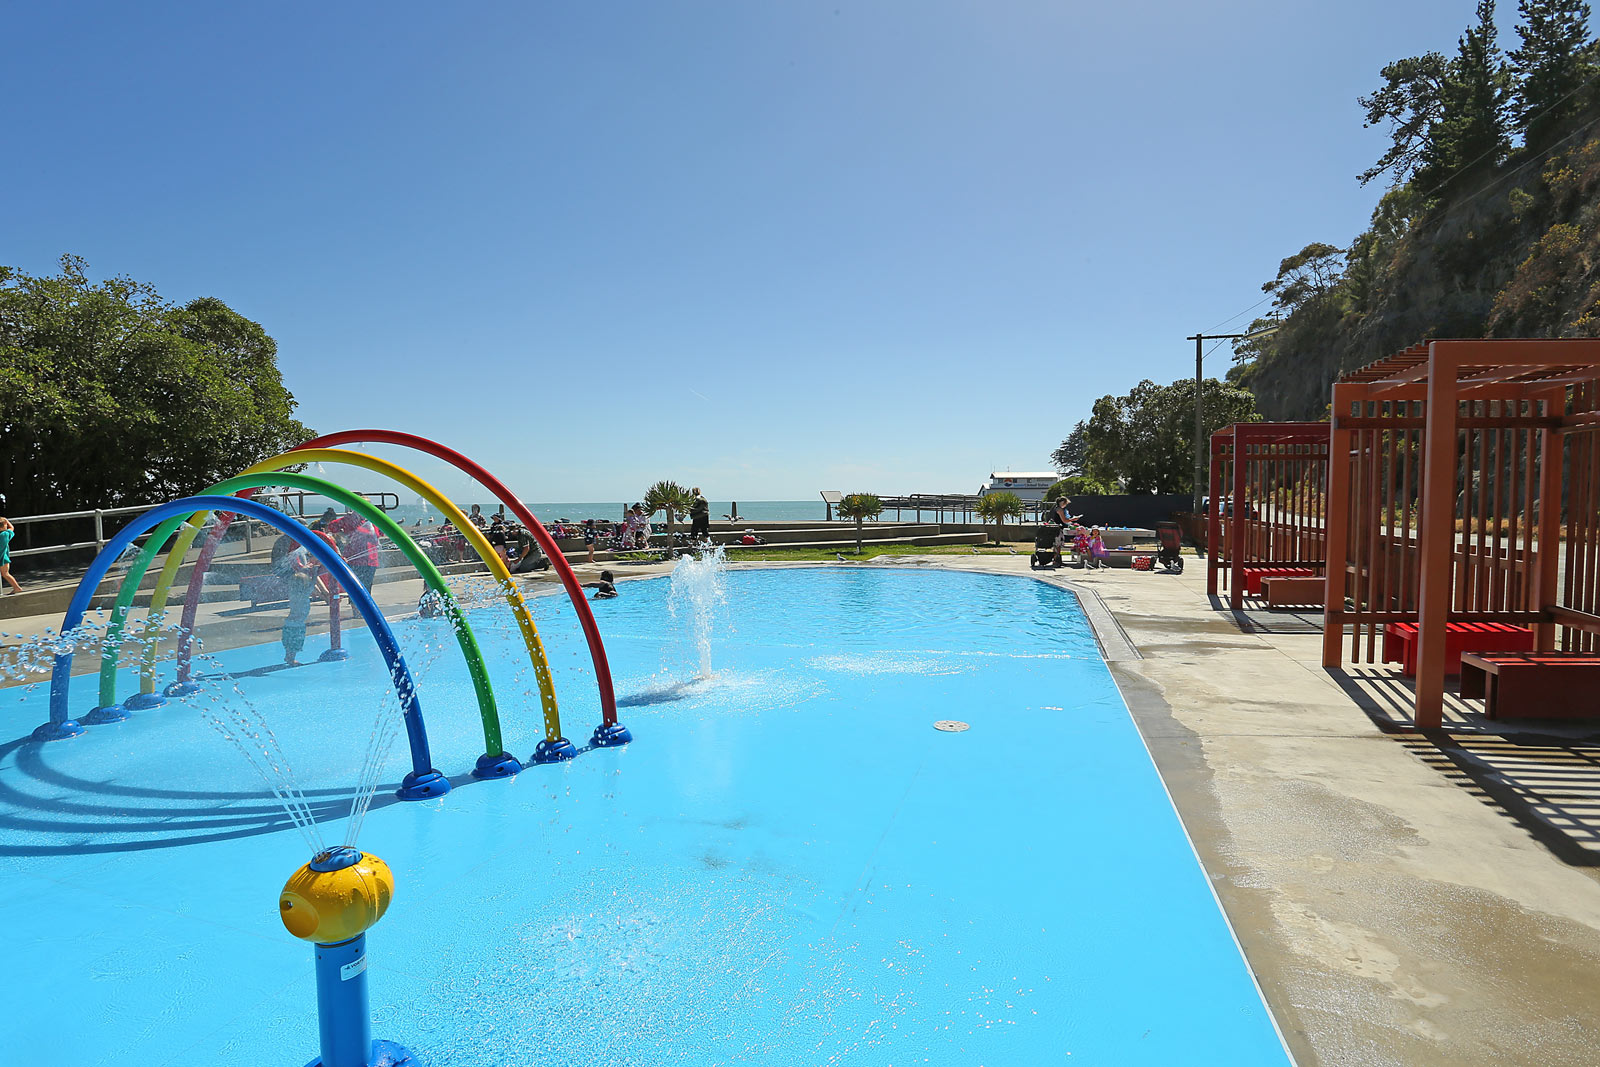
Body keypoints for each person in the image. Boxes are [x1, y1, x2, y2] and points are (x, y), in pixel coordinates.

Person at [273, 535, 320, 664]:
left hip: (289, 624)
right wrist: (315, 570)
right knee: (295, 643)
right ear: (304, 585)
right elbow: (313, 582)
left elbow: (306, 582)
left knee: (289, 644)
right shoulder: (304, 593)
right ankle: (291, 659)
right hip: (297, 625)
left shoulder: (293, 592)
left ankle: (289, 656)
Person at [336, 513, 381, 590]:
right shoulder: (350, 520)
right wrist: (343, 535)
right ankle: (353, 601)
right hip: (355, 560)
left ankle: (365, 601)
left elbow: (378, 535)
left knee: (367, 586)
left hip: (371, 560)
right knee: (355, 585)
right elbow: (332, 526)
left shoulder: (373, 521)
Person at [0, 516, 20, 595]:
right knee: (5, 573)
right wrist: (7, 521)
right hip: (4, 558)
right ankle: (16, 587)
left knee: (4, 574)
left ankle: (17, 587)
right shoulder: (5, 534)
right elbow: (12, 527)